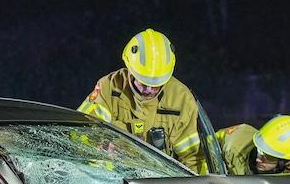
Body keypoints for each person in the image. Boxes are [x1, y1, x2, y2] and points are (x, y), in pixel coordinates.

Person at [78, 28, 206, 173]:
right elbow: (80, 130)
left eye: (157, 85)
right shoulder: (109, 89)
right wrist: (104, 143)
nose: (149, 90)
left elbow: (194, 158)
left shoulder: (181, 100)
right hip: (109, 182)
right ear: (130, 70)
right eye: (143, 83)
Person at [216, 115, 290, 175]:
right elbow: (205, 146)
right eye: (260, 150)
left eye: (268, 157)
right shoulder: (236, 138)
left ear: (287, 163)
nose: (258, 158)